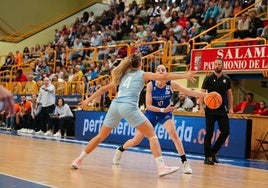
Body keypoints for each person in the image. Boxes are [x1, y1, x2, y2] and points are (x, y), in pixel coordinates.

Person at [71, 54, 196, 177]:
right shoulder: (143, 74)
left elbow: (103, 89)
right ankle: (161, 167)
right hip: (128, 106)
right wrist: (186, 75)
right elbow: (166, 76)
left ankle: (78, 160)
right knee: (152, 135)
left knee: (100, 136)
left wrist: (88, 100)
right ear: (140, 64)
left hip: (115, 105)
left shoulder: (123, 75)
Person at [112, 65, 208, 174]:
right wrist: (163, 109)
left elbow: (191, 92)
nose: (161, 71)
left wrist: (207, 94)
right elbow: (148, 106)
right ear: (156, 73)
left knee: (173, 133)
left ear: (166, 73)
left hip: (165, 114)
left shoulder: (171, 84)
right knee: (136, 140)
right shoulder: (150, 85)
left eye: (163, 70)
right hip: (151, 114)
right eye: (158, 70)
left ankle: (185, 163)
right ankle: (120, 149)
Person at [199, 58, 234, 165]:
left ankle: (213, 152)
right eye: (215, 64)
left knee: (226, 132)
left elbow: (229, 94)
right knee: (209, 133)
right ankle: (207, 157)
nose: (217, 66)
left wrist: (231, 107)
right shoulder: (208, 78)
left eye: (219, 64)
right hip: (210, 109)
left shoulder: (226, 79)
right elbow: (202, 92)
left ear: (222, 66)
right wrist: (201, 106)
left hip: (221, 109)